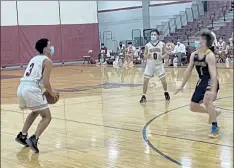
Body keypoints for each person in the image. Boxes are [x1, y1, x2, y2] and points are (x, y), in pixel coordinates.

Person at [174, 30, 221, 138]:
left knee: (207, 101)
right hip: (201, 81)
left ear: (204, 42)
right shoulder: (193, 55)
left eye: (198, 39)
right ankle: (214, 112)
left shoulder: (209, 55)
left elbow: (214, 75)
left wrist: (213, 90)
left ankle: (215, 128)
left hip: (210, 80)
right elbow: (188, 71)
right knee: (193, 107)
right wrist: (182, 85)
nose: (196, 41)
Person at [15, 38, 59, 152]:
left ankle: (22, 135)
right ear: (45, 49)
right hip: (31, 89)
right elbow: (45, 82)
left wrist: (42, 91)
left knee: (35, 111)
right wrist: (52, 92)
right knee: (47, 116)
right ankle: (34, 138)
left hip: (21, 88)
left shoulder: (34, 58)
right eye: (50, 45)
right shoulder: (48, 61)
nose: (52, 47)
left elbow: (35, 78)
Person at [140, 29, 170, 103]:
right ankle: (143, 95)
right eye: (152, 34)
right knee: (145, 81)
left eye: (154, 34)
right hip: (150, 65)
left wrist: (162, 57)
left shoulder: (162, 44)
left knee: (164, 81)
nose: (153, 36)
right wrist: (146, 56)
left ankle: (166, 92)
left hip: (159, 65)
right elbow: (144, 55)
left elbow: (166, 53)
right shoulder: (147, 45)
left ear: (158, 36)